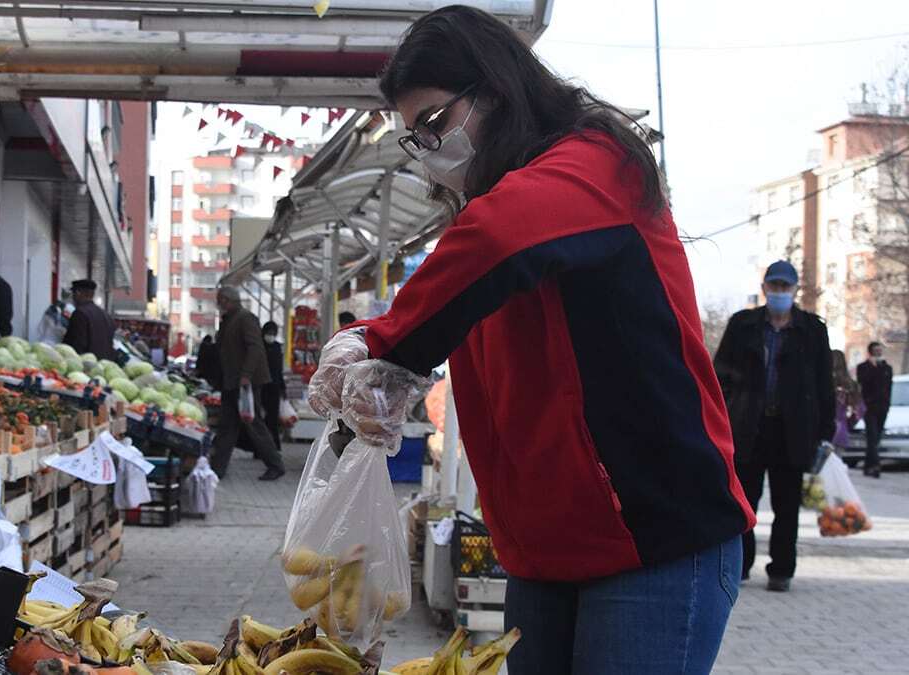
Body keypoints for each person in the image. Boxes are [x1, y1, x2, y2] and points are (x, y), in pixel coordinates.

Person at [307, 7, 755, 672]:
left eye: (435, 122)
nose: (431, 148)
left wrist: (387, 347)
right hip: (544, 555)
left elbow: (499, 237)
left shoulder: (595, 165)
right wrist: (365, 346)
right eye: (416, 138)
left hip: (654, 540)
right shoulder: (491, 217)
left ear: (494, 90)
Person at [714, 261, 833, 593]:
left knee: (787, 506)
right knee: (742, 503)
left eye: (785, 287)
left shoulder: (812, 330)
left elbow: (824, 384)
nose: (779, 292)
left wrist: (826, 432)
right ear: (764, 288)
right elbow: (720, 376)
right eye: (774, 286)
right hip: (747, 428)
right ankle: (740, 565)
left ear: (795, 290)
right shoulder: (743, 325)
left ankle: (781, 570)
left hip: (792, 431)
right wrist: (718, 421)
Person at [212, 287, 284, 481]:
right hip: (232, 381)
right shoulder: (230, 319)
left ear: (227, 300)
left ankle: (275, 464)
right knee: (228, 425)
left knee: (252, 422)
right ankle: (217, 468)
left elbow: (255, 348)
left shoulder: (245, 318)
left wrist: (246, 375)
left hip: (244, 382)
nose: (218, 303)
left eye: (220, 300)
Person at [856, 341, 892, 478]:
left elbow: (888, 386)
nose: (879, 352)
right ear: (871, 352)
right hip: (869, 407)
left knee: (876, 438)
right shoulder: (863, 367)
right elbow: (863, 381)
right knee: (872, 436)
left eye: (880, 350)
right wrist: (873, 367)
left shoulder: (886, 367)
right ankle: (876, 465)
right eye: (876, 350)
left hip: (883, 407)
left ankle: (868, 465)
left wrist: (887, 403)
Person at [63, 280, 116, 360]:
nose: (72, 297)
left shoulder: (80, 313)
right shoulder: (106, 315)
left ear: (78, 293)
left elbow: (75, 344)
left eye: (73, 294)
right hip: (103, 364)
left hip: (85, 364)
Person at [260, 321, 287, 451]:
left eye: (273, 333)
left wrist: (282, 387)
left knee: (273, 418)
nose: (270, 335)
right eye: (268, 333)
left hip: (274, 387)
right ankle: (261, 447)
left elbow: (279, 370)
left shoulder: (277, 348)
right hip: (261, 386)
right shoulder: (259, 346)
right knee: (262, 418)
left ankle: (274, 446)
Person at [832, 350, 864, 451]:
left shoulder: (822, 382)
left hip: (821, 431)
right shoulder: (851, 384)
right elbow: (860, 409)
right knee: (836, 459)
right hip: (841, 429)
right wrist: (848, 423)